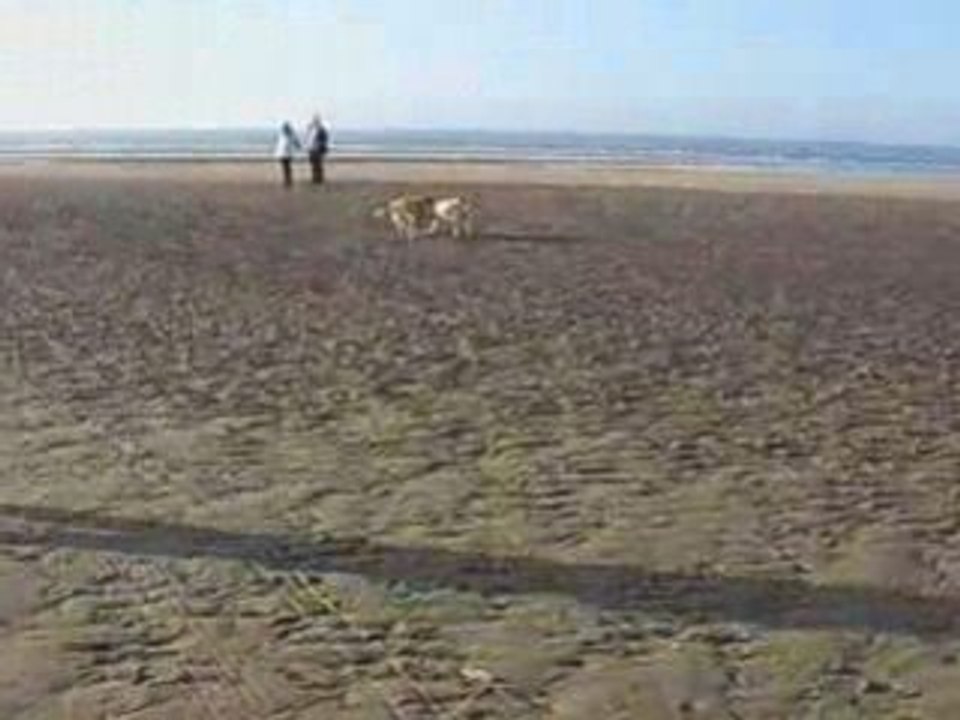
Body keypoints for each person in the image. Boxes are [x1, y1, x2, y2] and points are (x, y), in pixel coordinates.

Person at [274, 121, 301, 188]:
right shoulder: (282, 135)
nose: (285, 129)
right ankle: (287, 181)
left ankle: (288, 181)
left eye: (286, 128)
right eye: (285, 128)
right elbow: (279, 144)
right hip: (282, 153)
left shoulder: (291, 135)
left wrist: (297, 146)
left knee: (287, 168)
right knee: (285, 168)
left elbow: (297, 144)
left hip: (287, 154)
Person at [304, 113, 329, 185]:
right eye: (314, 120)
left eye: (316, 120)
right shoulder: (310, 128)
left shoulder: (321, 129)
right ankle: (314, 178)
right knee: (313, 164)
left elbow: (325, 139)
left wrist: (321, 146)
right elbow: (307, 138)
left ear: (318, 121)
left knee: (318, 164)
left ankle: (319, 179)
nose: (315, 121)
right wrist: (307, 146)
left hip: (318, 149)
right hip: (311, 148)